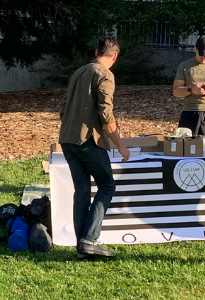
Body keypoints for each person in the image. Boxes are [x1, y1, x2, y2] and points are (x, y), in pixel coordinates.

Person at [59, 37, 130, 259]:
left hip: (68, 139)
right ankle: (89, 240)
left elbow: (63, 107)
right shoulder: (105, 75)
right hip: (88, 140)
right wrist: (120, 146)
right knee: (107, 186)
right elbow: (106, 114)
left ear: (96, 51)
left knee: (81, 191)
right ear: (115, 56)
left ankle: (82, 247)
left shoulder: (79, 72)